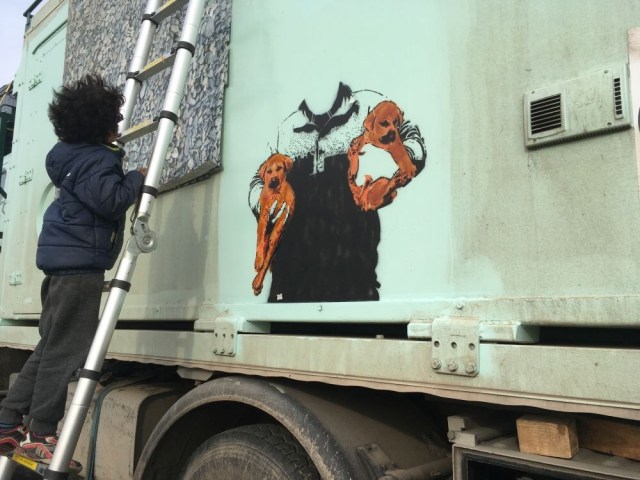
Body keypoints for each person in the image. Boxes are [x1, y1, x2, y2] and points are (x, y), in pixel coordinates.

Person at [0, 74, 146, 469]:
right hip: (80, 268)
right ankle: (41, 435)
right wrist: (136, 178)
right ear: (102, 127)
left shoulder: (69, 157)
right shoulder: (97, 160)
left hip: (61, 267)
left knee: (50, 347)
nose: (120, 125)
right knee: (66, 352)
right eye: (115, 120)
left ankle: (8, 422)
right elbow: (110, 201)